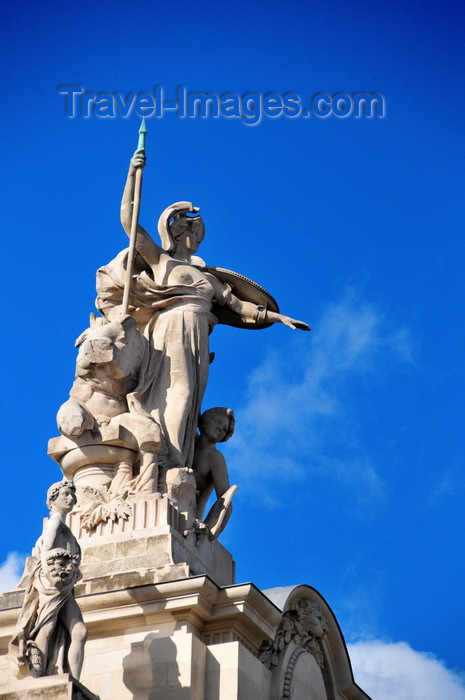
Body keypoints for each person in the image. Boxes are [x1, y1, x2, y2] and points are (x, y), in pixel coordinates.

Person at [96, 149, 309, 473]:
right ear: (178, 231)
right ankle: (159, 461)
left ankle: (175, 465)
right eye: (192, 231)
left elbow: (240, 307)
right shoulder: (160, 261)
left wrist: (279, 317)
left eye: (199, 233)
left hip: (198, 333)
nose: (196, 237)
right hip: (170, 326)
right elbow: (129, 218)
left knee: (190, 397)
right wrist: (131, 172)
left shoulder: (208, 279)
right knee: (173, 395)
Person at [8, 481, 87, 679]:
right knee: (48, 626)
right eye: (66, 494)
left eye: (72, 495)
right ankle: (37, 674)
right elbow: (45, 555)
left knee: (78, 631)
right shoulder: (55, 522)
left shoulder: (61, 523)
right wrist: (55, 574)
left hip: (63, 583)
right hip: (52, 582)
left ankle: (74, 682)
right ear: (53, 499)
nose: (71, 499)